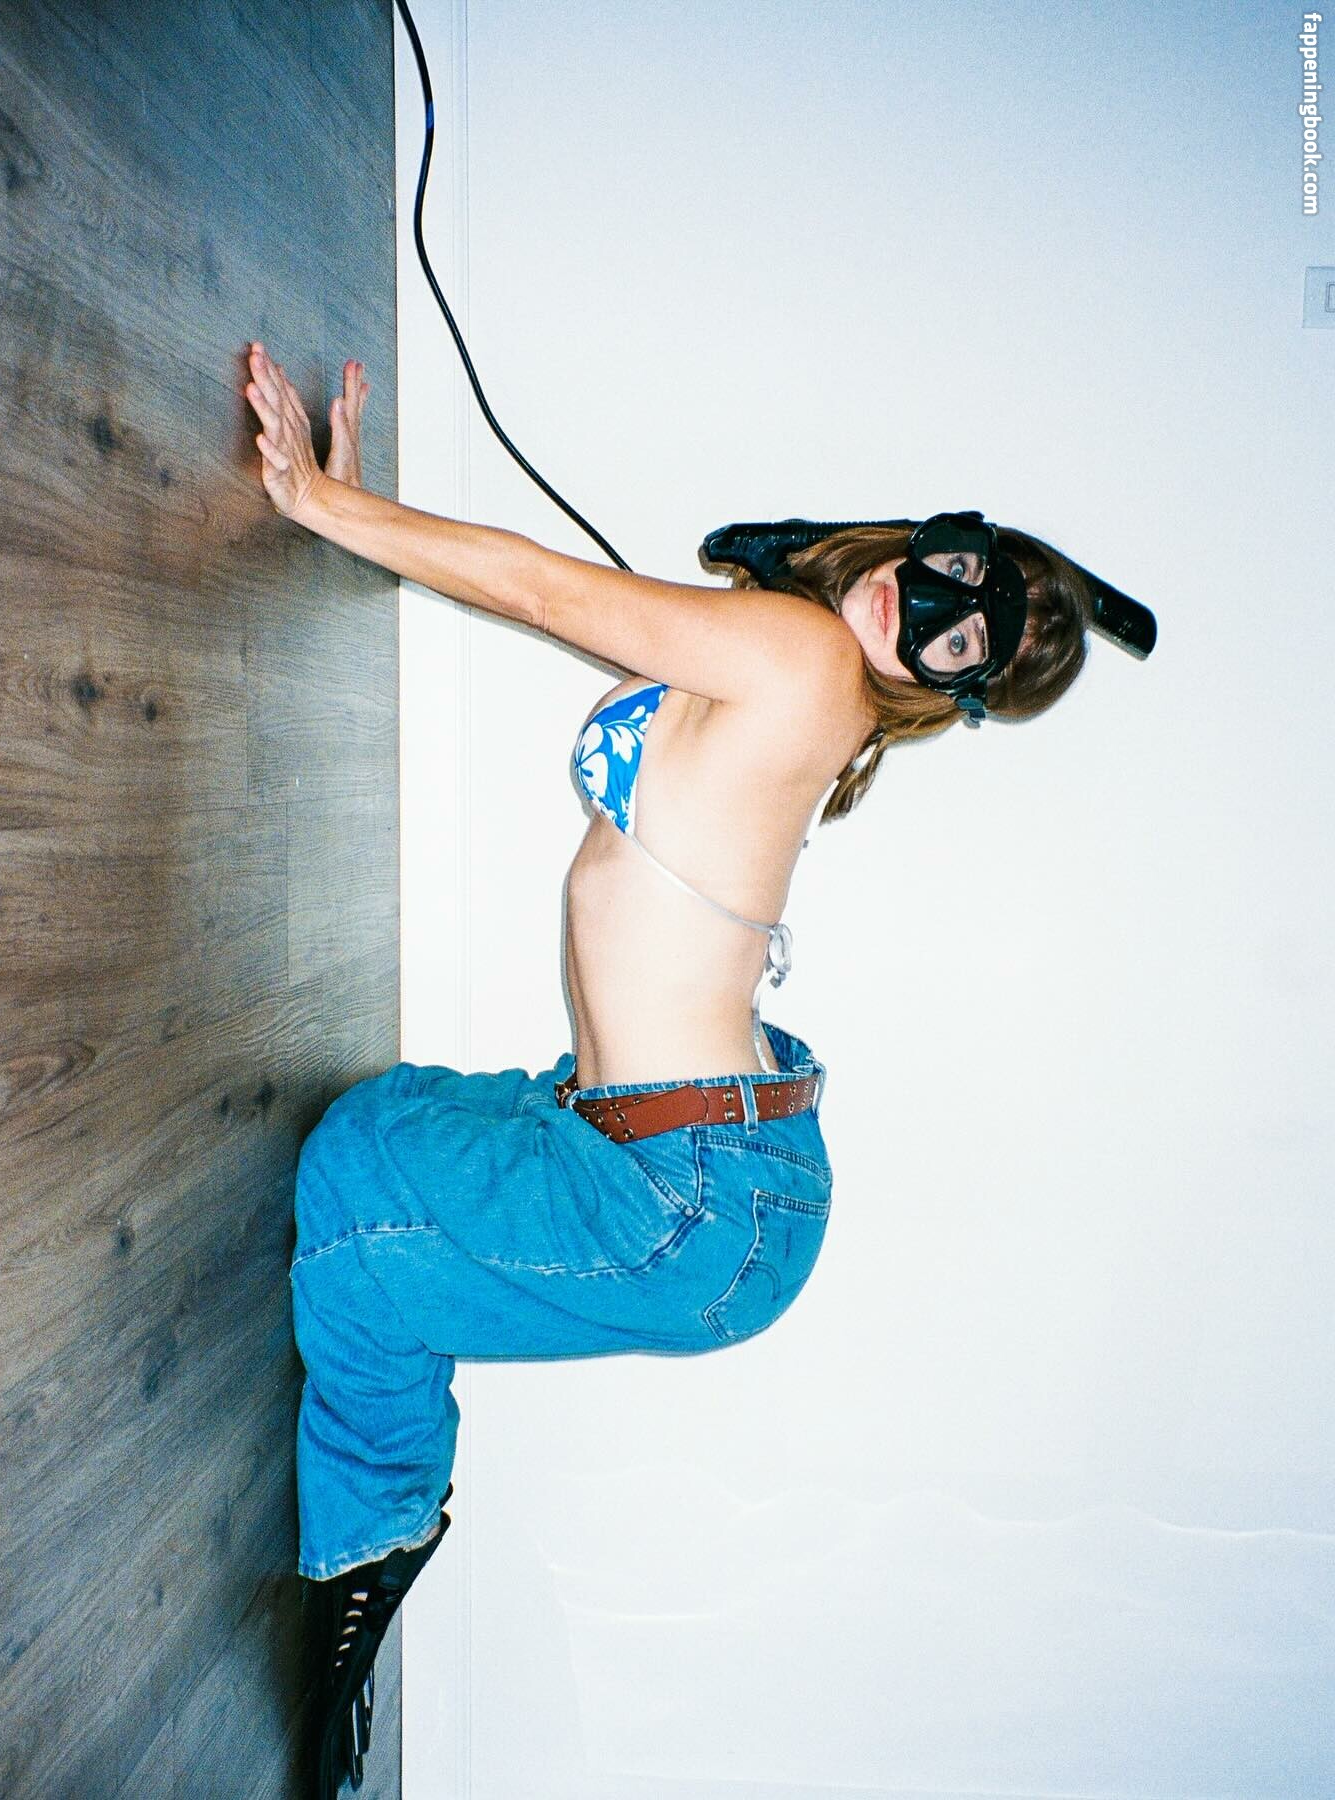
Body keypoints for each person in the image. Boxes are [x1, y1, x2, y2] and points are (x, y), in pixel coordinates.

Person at [243, 341, 1094, 1798]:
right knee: (391, 1122)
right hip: (687, 1159)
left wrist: (327, 506)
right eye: (958, 573)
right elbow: (618, 619)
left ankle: (367, 1553)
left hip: (685, 1196)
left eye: (962, 644)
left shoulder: (806, 661)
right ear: (941, 535)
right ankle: (389, 1470)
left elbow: (546, 592)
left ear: (946, 692)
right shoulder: (802, 658)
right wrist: (364, 514)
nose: (928, 609)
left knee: (357, 1194)